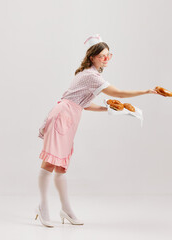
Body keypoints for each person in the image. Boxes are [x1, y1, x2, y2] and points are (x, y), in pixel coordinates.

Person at [34, 34, 160, 227]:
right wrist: (146, 91)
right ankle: (42, 208)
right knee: (50, 163)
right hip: (63, 116)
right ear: (92, 57)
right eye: (102, 55)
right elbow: (118, 93)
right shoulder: (91, 76)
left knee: (61, 166)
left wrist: (105, 108)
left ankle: (66, 210)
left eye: (108, 55)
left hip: (70, 116)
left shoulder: (90, 74)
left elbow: (81, 103)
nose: (106, 59)